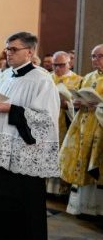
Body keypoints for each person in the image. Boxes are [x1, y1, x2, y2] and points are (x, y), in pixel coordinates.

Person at [0, 32, 60, 240]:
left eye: (13, 49)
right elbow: (0, 108)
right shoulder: (5, 76)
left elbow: (46, 120)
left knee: (20, 206)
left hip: (24, 154)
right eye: (7, 49)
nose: (8, 53)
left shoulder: (42, 80)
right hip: (3, 152)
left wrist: (12, 109)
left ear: (30, 52)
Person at [59, 44, 103, 217]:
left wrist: (97, 107)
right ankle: (82, 208)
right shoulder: (88, 77)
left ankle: (97, 209)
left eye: (99, 56)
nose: (95, 60)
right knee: (82, 163)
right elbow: (79, 100)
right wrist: (76, 103)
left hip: (99, 129)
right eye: (93, 56)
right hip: (84, 126)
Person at [47, 51, 83, 195]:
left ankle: (63, 190)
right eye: (55, 65)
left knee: (63, 154)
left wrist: (68, 105)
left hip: (67, 124)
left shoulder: (79, 80)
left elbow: (80, 103)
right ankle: (48, 189)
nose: (57, 69)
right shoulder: (47, 78)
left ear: (70, 64)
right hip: (48, 123)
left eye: (61, 65)